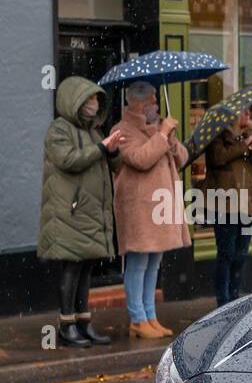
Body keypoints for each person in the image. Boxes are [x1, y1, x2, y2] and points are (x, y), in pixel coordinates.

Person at [39, 77, 125, 347]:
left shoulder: (94, 132)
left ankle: (84, 323)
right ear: (74, 101)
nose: (94, 104)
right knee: (72, 267)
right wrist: (101, 148)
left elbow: (115, 165)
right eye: (89, 99)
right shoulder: (58, 130)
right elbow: (68, 160)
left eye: (97, 100)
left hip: (90, 213)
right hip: (70, 212)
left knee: (86, 267)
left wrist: (112, 151)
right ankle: (66, 325)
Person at [113, 81, 190, 340]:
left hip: (159, 207)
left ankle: (150, 316)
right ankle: (137, 318)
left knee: (154, 263)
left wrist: (170, 139)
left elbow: (183, 159)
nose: (156, 105)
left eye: (156, 100)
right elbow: (140, 159)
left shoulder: (158, 130)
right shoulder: (122, 130)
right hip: (138, 209)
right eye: (152, 100)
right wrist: (160, 135)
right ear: (137, 103)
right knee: (137, 263)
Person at [205, 108, 252, 305]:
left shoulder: (250, 137)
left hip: (247, 204)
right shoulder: (218, 138)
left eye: (249, 112)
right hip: (225, 204)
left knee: (241, 254)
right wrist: (243, 146)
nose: (247, 115)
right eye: (243, 112)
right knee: (226, 253)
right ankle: (223, 300)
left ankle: (234, 297)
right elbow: (217, 158)